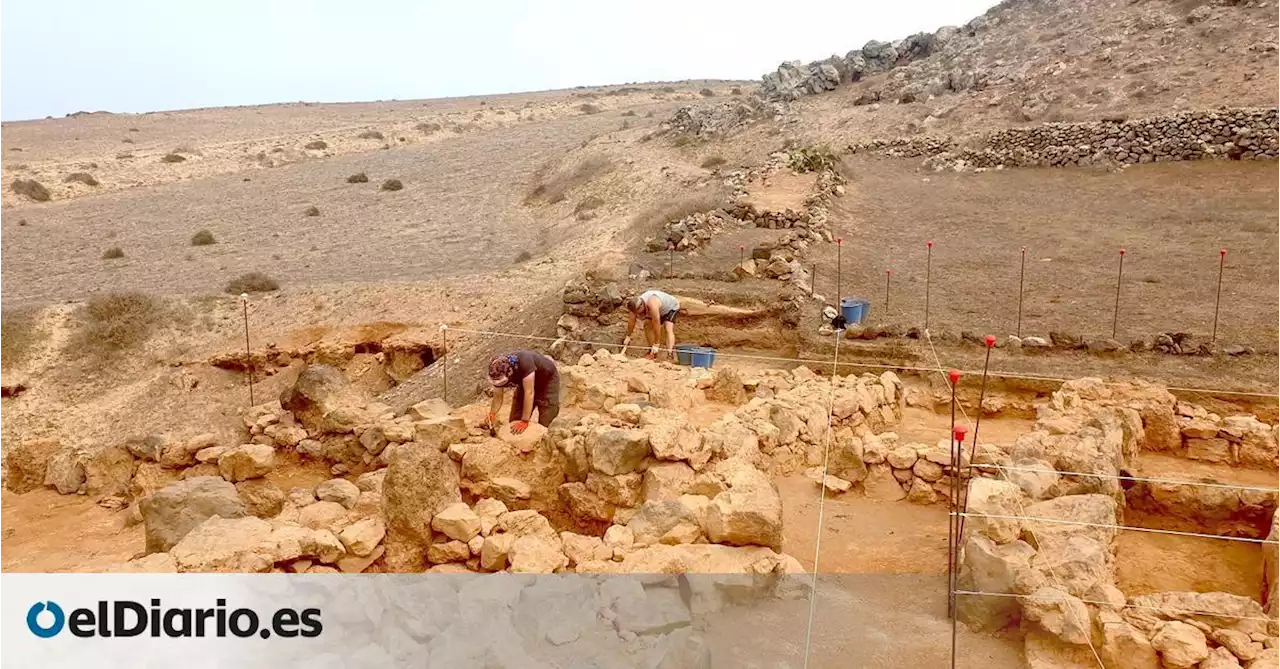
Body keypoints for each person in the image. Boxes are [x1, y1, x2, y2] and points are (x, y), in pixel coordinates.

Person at [485, 350, 561, 435]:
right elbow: (498, 397)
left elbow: (529, 393)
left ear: (510, 373)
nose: (500, 385)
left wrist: (525, 420)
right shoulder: (496, 371)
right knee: (515, 421)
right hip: (524, 383)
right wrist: (492, 413)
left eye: (502, 382)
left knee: (546, 419)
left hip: (546, 381)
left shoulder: (524, 363)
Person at [622, 289, 680, 359]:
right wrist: (628, 336)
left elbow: (656, 324)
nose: (638, 315)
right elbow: (632, 321)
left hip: (671, 307)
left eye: (639, 312)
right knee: (647, 325)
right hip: (659, 309)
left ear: (641, 306)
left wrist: (656, 343)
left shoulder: (652, 304)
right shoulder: (634, 306)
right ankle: (652, 352)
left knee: (668, 328)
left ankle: (670, 354)